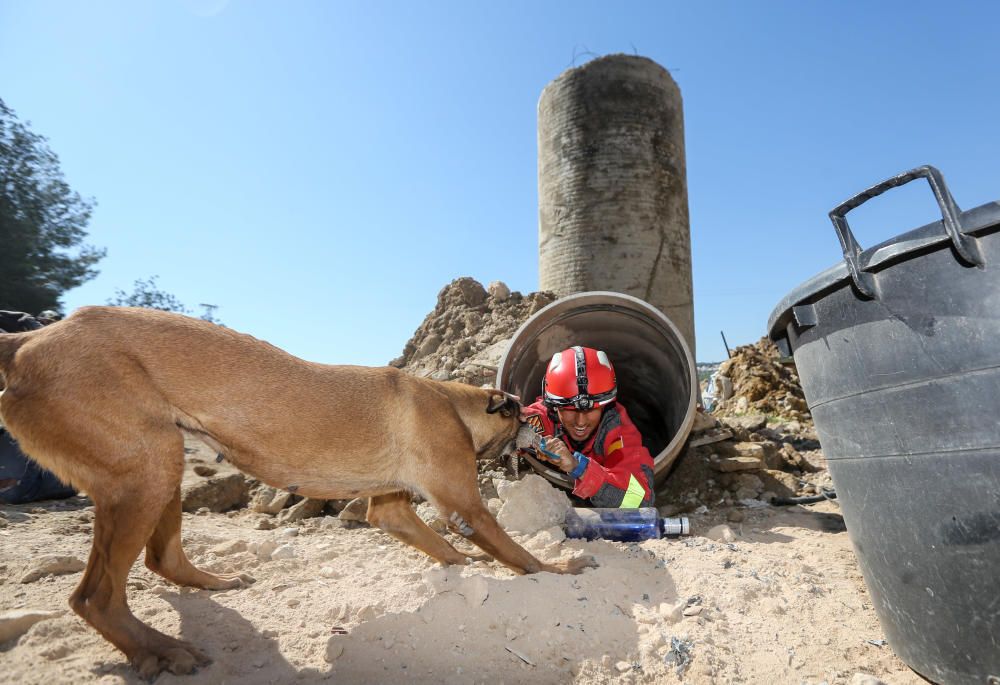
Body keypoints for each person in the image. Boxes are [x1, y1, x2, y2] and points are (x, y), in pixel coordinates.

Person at [521, 346, 654, 508]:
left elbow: (640, 500)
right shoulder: (543, 416)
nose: (581, 422)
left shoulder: (618, 432)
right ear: (554, 406)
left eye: (591, 410)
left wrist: (579, 468)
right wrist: (532, 439)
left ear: (605, 405)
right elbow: (514, 423)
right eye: (570, 410)